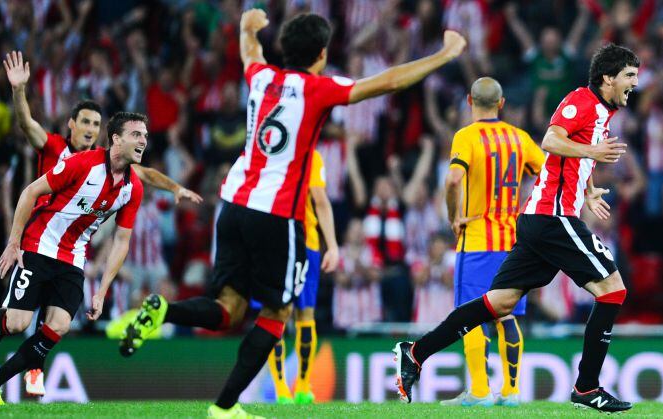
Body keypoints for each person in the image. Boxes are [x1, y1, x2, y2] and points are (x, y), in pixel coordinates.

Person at [119, 9, 466, 418]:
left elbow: (250, 51)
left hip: (232, 206)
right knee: (277, 312)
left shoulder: (261, 77)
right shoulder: (318, 88)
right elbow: (386, 82)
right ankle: (224, 407)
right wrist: (443, 55)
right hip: (275, 213)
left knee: (228, 306)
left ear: (284, 49)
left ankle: (164, 309)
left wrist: (249, 25)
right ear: (321, 54)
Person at [393, 43, 638, 414]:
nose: (635, 83)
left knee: (499, 303)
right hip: (551, 219)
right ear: (608, 78)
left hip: (539, 221)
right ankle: (587, 387)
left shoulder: (601, 112)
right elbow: (552, 141)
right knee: (613, 290)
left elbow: (565, 157)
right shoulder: (581, 101)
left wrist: (586, 190)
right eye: (629, 76)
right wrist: (591, 156)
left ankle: (414, 352)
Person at [0, 50, 201, 397]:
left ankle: (34, 366)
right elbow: (27, 124)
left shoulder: (108, 166)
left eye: (96, 124)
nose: (91, 130)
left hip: (72, 245)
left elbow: (143, 172)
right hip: (40, 237)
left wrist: (175, 187)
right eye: (86, 123)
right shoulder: (54, 148)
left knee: (57, 320)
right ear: (72, 125)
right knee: (15, 321)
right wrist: (19, 92)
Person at [0, 112, 147, 405]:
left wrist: (102, 290)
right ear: (116, 139)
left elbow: (121, 241)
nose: (144, 141)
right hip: (41, 245)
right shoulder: (82, 163)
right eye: (137, 135)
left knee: (58, 326)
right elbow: (30, 192)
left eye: (146, 136)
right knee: (16, 323)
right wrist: (14, 243)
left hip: (74, 258)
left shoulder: (132, 188)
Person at [438, 77, 544, 407]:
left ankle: (480, 392)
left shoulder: (466, 136)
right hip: (513, 242)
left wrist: (454, 215)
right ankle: (511, 392)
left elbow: (454, 178)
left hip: (478, 240)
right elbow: (549, 174)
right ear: (501, 104)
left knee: (471, 314)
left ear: (469, 102)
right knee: (506, 315)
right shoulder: (519, 138)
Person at [266, 150, 339, 405]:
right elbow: (320, 200)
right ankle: (304, 388)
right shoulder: (312, 156)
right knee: (304, 315)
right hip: (306, 243)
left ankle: (281, 390)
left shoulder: (267, 154)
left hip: (273, 243)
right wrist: (332, 245)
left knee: (275, 314)